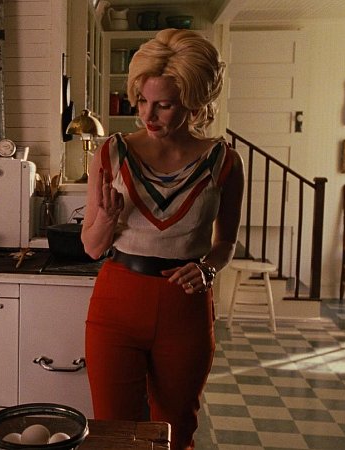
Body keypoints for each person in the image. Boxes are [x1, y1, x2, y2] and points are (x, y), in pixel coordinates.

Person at [80, 29, 245, 450]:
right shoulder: (111, 153)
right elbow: (92, 247)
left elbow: (226, 243)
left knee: (176, 430)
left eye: (164, 105)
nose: (147, 116)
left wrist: (208, 269)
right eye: (142, 101)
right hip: (117, 300)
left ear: (194, 104)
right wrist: (108, 219)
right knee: (115, 432)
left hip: (184, 305)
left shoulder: (224, 161)